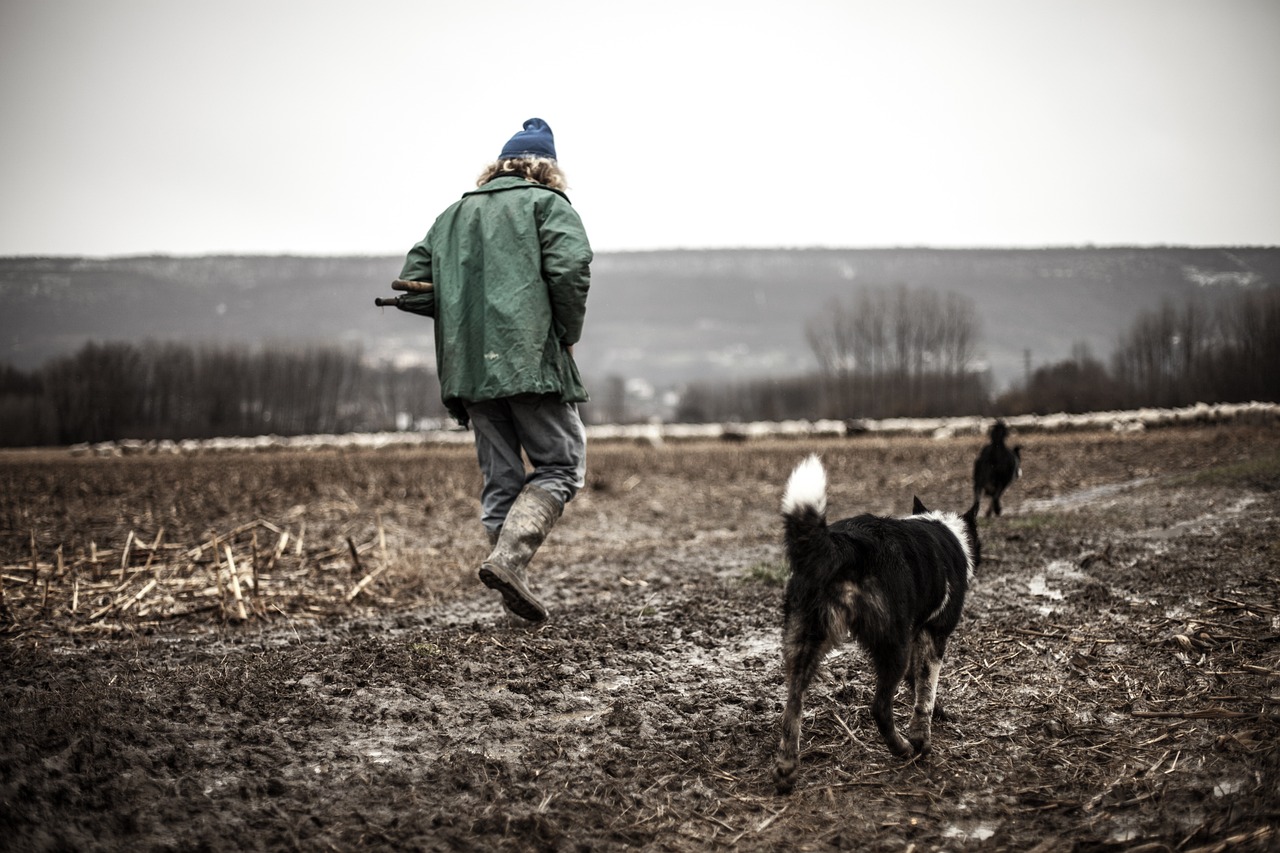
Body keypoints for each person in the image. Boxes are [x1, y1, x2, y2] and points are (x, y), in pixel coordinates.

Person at [395, 118, 593, 623]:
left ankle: (512, 603)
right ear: (545, 169)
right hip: (530, 362)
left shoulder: (451, 216)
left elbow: (413, 286)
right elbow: (570, 271)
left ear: (497, 167)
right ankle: (508, 561)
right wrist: (567, 334)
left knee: (501, 477)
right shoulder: (548, 206)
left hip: (468, 371)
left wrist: (464, 307)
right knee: (561, 466)